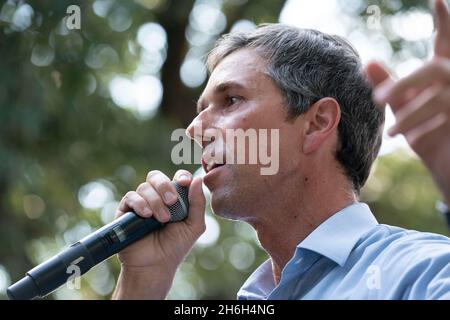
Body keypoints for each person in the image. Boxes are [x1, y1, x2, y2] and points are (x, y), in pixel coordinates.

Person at [112, 0, 450, 299]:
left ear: (317, 123)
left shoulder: (420, 271)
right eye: (201, 109)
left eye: (230, 100)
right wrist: (140, 286)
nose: (194, 130)